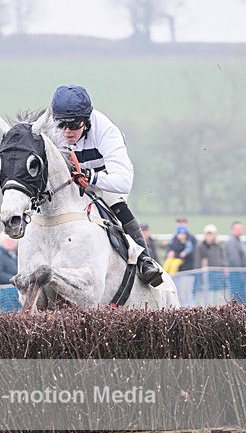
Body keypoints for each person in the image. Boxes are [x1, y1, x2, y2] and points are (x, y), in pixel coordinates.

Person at [50, 84, 162, 287]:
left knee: (116, 204)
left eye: (74, 124)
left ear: (86, 120)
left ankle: (144, 259)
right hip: (70, 180)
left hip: (104, 180)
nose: (67, 131)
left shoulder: (106, 131)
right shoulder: (51, 128)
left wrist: (91, 177)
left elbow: (123, 182)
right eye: (61, 124)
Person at [164, 224, 196, 306]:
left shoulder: (188, 243)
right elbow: (169, 254)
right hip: (178, 275)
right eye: (180, 234)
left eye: (183, 234)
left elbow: (184, 255)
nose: (181, 236)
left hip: (187, 273)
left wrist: (176, 254)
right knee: (180, 295)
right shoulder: (174, 243)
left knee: (187, 295)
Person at [0, 231, 21, 312]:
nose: (10, 243)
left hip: (18, 289)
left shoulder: (16, 254)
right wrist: (15, 280)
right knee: (9, 313)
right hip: (6, 291)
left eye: (12, 240)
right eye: (7, 241)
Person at [196, 224, 225, 304]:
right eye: (208, 234)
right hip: (206, 278)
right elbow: (198, 262)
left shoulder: (218, 246)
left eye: (211, 234)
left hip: (218, 277)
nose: (209, 236)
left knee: (218, 298)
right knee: (207, 299)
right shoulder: (201, 247)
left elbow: (223, 259)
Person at [224, 220, 246, 303]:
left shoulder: (239, 241)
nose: (239, 230)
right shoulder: (232, 241)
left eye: (240, 228)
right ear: (232, 229)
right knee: (236, 298)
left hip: (241, 274)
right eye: (237, 228)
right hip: (236, 275)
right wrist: (241, 272)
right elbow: (234, 259)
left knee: (242, 297)